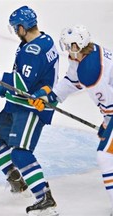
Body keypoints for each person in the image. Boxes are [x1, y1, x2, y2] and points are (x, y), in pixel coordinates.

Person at [0, 5, 59, 215]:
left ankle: (45, 199)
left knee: (20, 153)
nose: (15, 31)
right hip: (17, 104)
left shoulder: (35, 50)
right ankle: (18, 181)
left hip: (31, 107)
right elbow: (19, 80)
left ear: (22, 27)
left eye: (15, 28)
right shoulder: (38, 41)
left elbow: (24, 85)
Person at [29, 24, 113, 214]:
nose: (67, 49)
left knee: (105, 156)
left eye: (69, 46)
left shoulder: (91, 70)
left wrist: (107, 124)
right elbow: (71, 81)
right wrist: (51, 97)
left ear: (77, 45)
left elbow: (108, 104)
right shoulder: (86, 55)